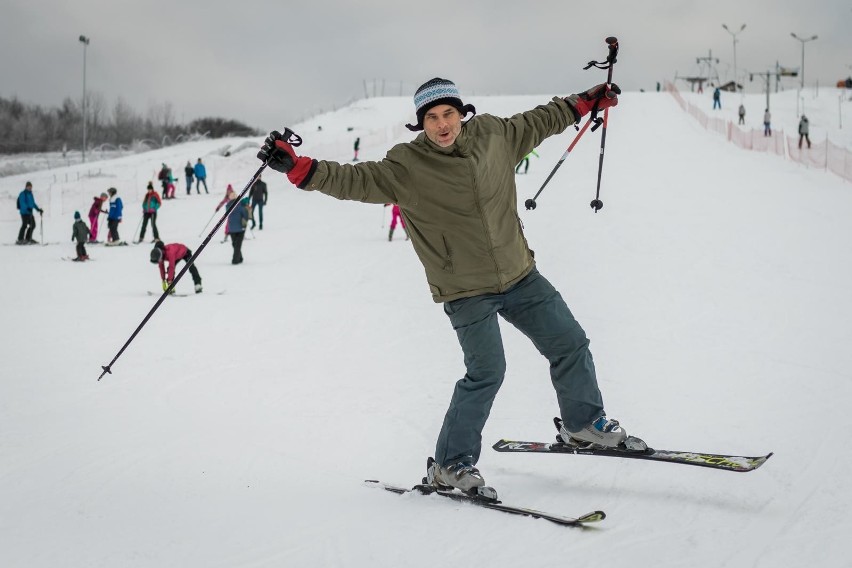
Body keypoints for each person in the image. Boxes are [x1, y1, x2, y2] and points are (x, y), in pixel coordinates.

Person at [257, 77, 642, 493]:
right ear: (421, 123)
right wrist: (298, 167)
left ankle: (582, 424)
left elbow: (542, 120)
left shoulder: (496, 134)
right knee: (487, 371)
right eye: (432, 118)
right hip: (464, 289)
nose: (442, 125)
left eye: (449, 114)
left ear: (462, 113)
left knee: (569, 341)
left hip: (519, 273)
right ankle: (450, 464)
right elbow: (352, 179)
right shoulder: (406, 166)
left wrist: (584, 103)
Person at [227, 195, 249, 264]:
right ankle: (235, 260)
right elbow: (245, 216)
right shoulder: (240, 206)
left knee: (235, 244)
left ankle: (240, 257)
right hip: (240, 228)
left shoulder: (227, 206)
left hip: (231, 228)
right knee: (238, 245)